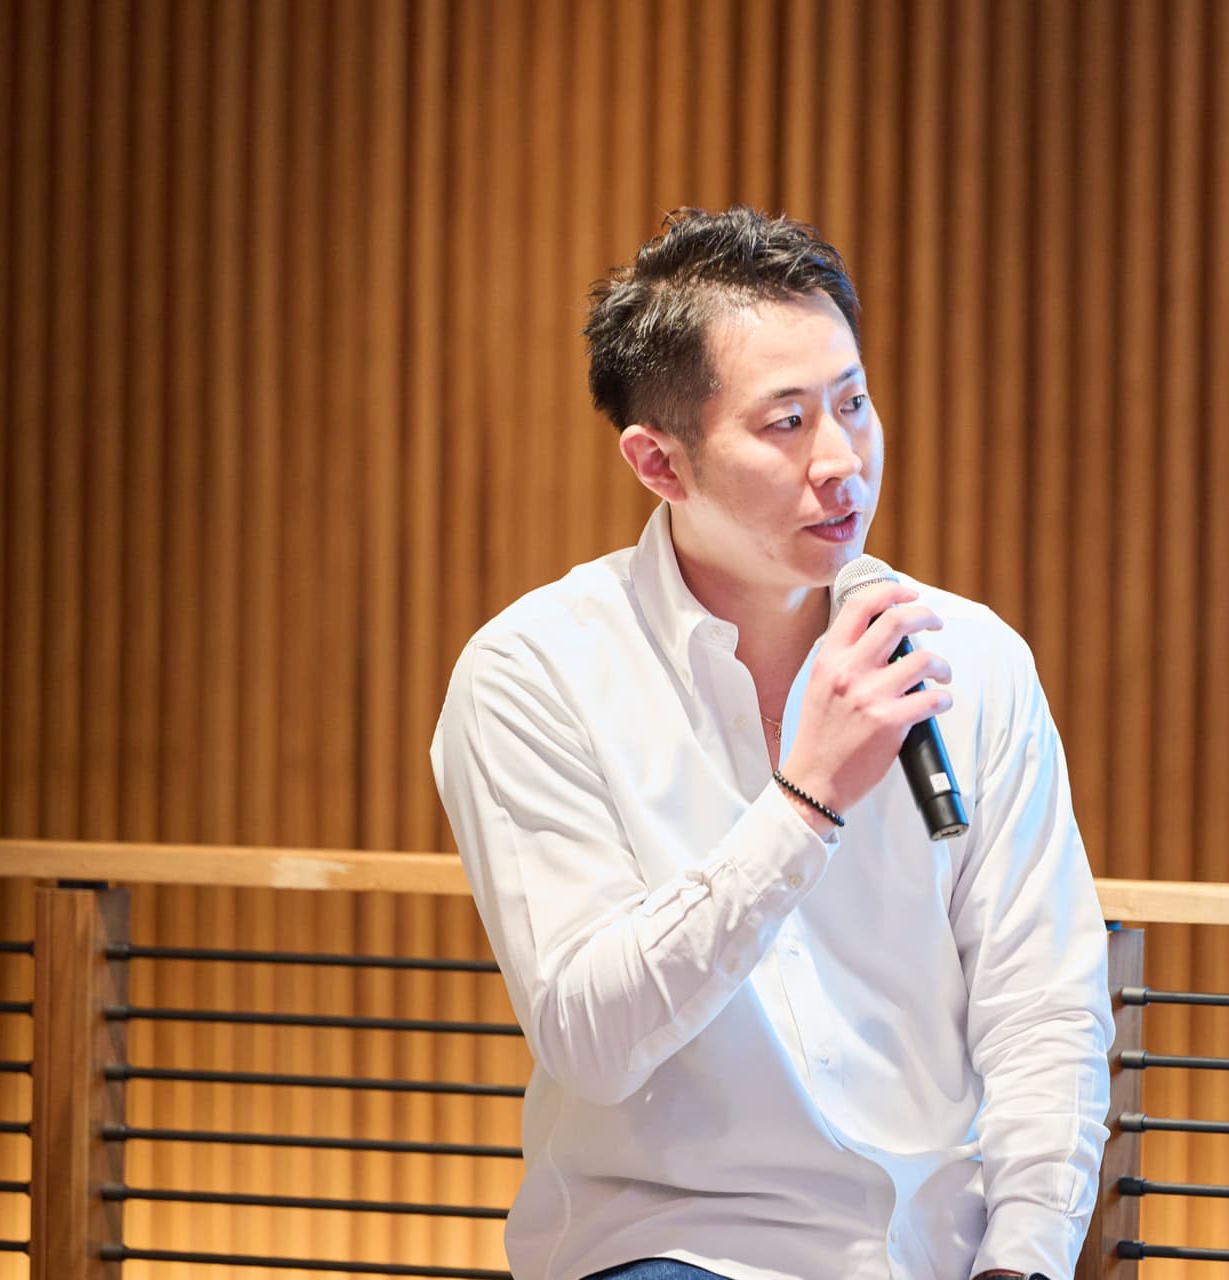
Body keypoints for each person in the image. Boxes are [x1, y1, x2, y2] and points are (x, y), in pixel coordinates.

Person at [431, 206, 1113, 1280]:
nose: (841, 460)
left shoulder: (970, 658)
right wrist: (804, 802)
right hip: (678, 1243)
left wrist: (1021, 1259)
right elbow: (590, 1040)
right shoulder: (534, 673)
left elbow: (1042, 1006)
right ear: (660, 463)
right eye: (786, 422)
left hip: (935, 1249)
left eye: (853, 402)